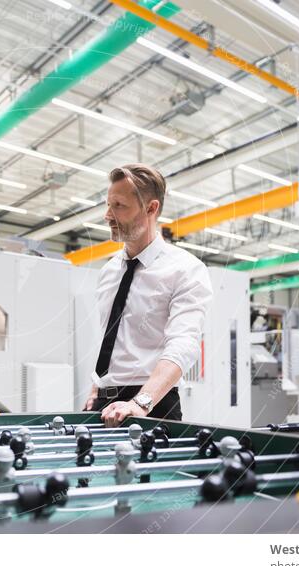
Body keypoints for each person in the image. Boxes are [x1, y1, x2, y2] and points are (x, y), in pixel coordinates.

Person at [83, 164, 213, 427]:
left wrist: (142, 401)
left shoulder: (185, 269)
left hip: (153, 405)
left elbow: (183, 345)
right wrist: (97, 387)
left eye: (119, 206)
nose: (108, 215)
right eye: (108, 205)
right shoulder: (109, 271)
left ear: (151, 209)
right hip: (104, 404)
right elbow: (112, 342)